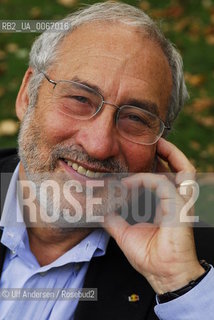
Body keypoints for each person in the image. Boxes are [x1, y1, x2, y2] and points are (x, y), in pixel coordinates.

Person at [0, 2, 214, 319]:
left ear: (160, 147)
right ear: (27, 97)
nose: (99, 145)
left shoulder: (195, 271)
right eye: (79, 98)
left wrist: (176, 283)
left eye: (136, 118)